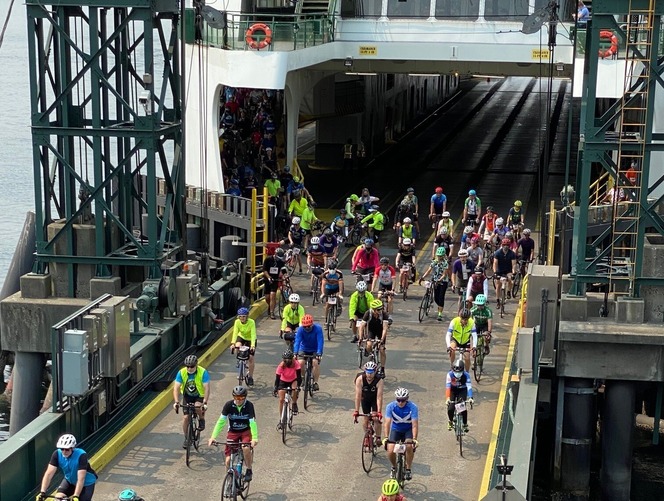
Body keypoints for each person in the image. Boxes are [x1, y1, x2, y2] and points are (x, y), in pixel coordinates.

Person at [208, 386, 258, 482]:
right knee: (227, 461)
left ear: (245, 397)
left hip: (245, 432)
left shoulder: (249, 405)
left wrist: (255, 438)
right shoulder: (228, 405)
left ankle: (249, 469)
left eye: (241, 398)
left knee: (246, 448)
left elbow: (252, 422)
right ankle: (230, 481)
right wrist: (213, 437)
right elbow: (221, 421)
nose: (238, 400)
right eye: (236, 398)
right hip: (233, 432)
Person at [37, 434, 97, 501]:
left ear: (73, 448)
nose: (64, 452)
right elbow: (48, 474)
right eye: (62, 449)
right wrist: (42, 492)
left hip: (86, 483)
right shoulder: (57, 454)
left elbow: (81, 479)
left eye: (67, 449)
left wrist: (76, 496)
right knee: (58, 498)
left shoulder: (81, 455)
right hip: (69, 480)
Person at [173, 354, 211, 447]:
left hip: (199, 395)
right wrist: (176, 402)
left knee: (197, 406)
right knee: (186, 418)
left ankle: (201, 419)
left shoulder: (203, 372)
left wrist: (205, 402)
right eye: (187, 366)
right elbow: (176, 388)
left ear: (196, 365)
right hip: (187, 396)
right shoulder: (181, 372)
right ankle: (187, 438)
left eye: (192, 366)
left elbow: (207, 388)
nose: (189, 369)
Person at [382, 388, 418, 481]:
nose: (401, 402)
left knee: (409, 447)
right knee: (390, 450)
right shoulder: (390, 406)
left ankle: (408, 468)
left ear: (407, 399)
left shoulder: (413, 407)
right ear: (396, 399)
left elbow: (414, 424)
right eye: (398, 400)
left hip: (408, 430)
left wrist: (414, 438)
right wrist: (386, 437)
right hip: (396, 430)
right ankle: (394, 467)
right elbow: (387, 423)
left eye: (403, 400)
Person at [353, 361, 384, 445]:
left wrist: (379, 412)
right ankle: (367, 436)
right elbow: (358, 396)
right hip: (365, 398)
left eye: (371, 372)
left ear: (375, 372)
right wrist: (356, 411)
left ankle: (378, 437)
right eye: (368, 372)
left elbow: (379, 397)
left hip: (374, 399)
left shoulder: (379, 380)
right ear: (365, 371)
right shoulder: (360, 379)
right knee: (366, 418)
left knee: (375, 418)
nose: (369, 375)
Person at [419, 246, 451, 322]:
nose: (439, 257)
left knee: (441, 297)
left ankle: (439, 314)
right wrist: (422, 277)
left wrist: (439, 280)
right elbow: (429, 270)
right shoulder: (434, 262)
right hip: (434, 279)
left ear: (443, 256)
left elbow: (444, 274)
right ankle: (430, 300)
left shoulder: (445, 263)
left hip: (443, 281)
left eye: (440, 256)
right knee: (436, 297)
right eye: (438, 256)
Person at [293, 314, 324, 391]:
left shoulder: (318, 329)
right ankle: (303, 378)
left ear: (312, 324)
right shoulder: (300, 330)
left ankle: (315, 383)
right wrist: (295, 352)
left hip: (315, 349)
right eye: (305, 327)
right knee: (300, 363)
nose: (307, 328)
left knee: (315, 362)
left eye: (309, 326)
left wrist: (319, 353)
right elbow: (297, 341)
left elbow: (320, 341)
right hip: (303, 348)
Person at [360, 299, 390, 375]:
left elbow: (385, 328)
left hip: (380, 331)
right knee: (369, 345)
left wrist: (382, 340)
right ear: (373, 310)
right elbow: (361, 326)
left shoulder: (384, 314)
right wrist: (360, 338)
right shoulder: (368, 313)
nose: (380, 311)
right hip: (371, 330)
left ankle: (382, 368)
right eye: (378, 309)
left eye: (381, 308)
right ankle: (371, 354)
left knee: (382, 350)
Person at [445, 360, 474, 433]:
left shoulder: (466, 375)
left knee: (462, 407)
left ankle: (465, 424)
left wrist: (470, 397)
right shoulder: (449, 375)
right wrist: (448, 398)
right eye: (456, 372)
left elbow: (469, 386)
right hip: (453, 390)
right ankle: (450, 421)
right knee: (451, 408)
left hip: (462, 390)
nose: (457, 374)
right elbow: (448, 387)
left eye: (459, 372)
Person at [231, 307, 257, 386]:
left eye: (244, 316)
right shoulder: (237, 322)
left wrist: (252, 345)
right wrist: (233, 343)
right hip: (241, 337)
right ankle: (240, 361)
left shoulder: (251, 322)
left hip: (250, 339)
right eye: (240, 316)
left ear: (247, 316)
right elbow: (235, 333)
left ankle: (250, 377)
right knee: (237, 346)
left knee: (251, 358)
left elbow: (253, 334)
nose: (242, 318)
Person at [273, 349, 302, 421]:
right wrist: (276, 388)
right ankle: (281, 419)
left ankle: (294, 403)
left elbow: (299, 377)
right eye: (286, 360)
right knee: (281, 400)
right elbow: (277, 379)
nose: (288, 362)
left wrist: (298, 386)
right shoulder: (281, 366)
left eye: (289, 360)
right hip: (283, 381)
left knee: (295, 390)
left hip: (293, 380)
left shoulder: (296, 363)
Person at [262, 247, 286, 319]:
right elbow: (264, 270)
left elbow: (283, 270)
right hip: (267, 279)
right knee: (267, 297)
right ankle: (270, 305)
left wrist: (282, 275)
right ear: (275, 255)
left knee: (273, 295)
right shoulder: (268, 259)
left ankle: (272, 312)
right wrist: (269, 277)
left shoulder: (281, 262)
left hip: (275, 280)